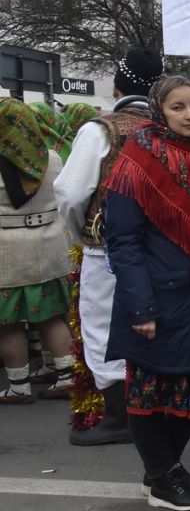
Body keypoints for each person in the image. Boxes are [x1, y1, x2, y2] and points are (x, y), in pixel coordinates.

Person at [102, 76, 190, 511]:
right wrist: (141, 306)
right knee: (150, 393)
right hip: (158, 298)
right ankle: (160, 478)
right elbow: (122, 240)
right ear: (160, 111)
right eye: (179, 108)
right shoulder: (136, 158)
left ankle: (164, 466)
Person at [55, 48, 163, 446]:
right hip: (162, 248)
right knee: (155, 323)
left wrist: (82, 232)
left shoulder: (100, 129)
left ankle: (119, 416)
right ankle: (159, 405)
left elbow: (69, 194)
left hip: (109, 249)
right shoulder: (171, 127)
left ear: (117, 86)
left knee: (103, 327)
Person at [0, 99, 75, 403]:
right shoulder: (53, 158)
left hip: (7, 251)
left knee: (9, 322)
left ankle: (19, 386)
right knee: (51, 316)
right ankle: (67, 375)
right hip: (49, 243)